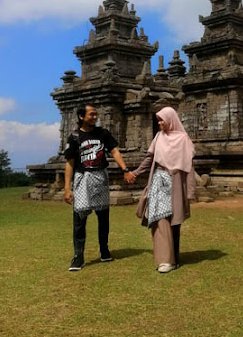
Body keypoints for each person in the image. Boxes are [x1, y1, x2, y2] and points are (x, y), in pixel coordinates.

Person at [125, 107, 196, 273]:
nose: (159, 123)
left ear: (171, 120)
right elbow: (149, 159)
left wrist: (191, 191)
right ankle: (165, 260)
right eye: (158, 120)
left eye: (162, 120)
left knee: (175, 221)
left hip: (176, 182)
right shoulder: (158, 138)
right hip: (159, 181)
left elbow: (189, 167)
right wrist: (135, 173)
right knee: (160, 219)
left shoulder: (183, 139)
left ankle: (175, 258)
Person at [64, 103, 130, 271]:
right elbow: (70, 163)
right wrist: (67, 188)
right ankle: (78, 256)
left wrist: (125, 169)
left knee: (103, 217)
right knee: (80, 218)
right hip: (82, 178)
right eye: (91, 114)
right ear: (81, 116)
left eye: (96, 114)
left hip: (100, 176)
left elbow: (114, 151)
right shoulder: (74, 137)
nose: (95, 117)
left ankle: (104, 249)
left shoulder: (102, 133)